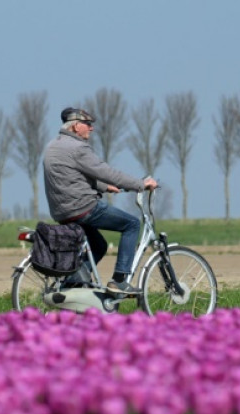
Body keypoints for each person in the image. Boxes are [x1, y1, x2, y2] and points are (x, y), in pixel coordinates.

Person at [42, 107, 158, 296]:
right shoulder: (78, 148)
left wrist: (104, 187)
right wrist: (140, 184)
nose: (91, 128)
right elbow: (107, 172)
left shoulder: (53, 146)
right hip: (83, 207)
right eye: (87, 124)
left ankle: (75, 284)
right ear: (75, 126)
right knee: (132, 224)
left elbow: (72, 175)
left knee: (99, 246)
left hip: (62, 211)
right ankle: (120, 281)